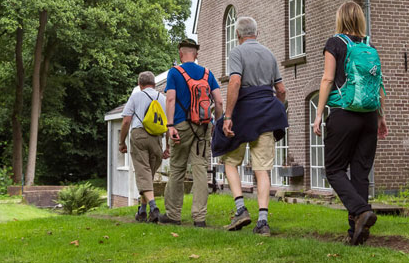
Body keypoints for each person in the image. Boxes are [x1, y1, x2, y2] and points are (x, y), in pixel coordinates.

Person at [313, 2, 388, 245]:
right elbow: (380, 85)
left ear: (340, 19)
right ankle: (355, 233)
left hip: (343, 113)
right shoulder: (369, 46)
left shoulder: (335, 43)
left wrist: (319, 113)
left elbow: (327, 78)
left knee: (334, 170)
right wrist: (381, 116)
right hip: (368, 116)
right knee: (360, 173)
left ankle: (361, 211)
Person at [212, 16, 287, 236]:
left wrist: (227, 117)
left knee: (229, 161)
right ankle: (263, 222)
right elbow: (281, 90)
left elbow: (235, 82)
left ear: (238, 35)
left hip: (243, 115)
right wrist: (275, 110)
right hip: (265, 116)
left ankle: (241, 210)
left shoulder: (237, 52)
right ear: (257, 33)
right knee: (262, 170)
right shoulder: (269, 54)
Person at [160, 38, 224, 227]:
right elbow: (219, 102)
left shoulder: (175, 72)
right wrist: (217, 123)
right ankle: (200, 218)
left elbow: (170, 100)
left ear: (181, 53)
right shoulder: (207, 73)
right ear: (196, 54)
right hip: (202, 128)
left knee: (177, 169)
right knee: (200, 170)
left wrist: (170, 125)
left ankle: (173, 215)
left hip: (180, 127)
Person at [120, 71, 170, 223]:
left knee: (143, 174)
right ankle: (142, 211)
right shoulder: (163, 98)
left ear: (139, 84)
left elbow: (126, 121)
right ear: (154, 84)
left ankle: (154, 208)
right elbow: (168, 124)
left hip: (139, 135)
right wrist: (167, 146)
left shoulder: (135, 96)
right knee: (147, 175)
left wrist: (122, 142)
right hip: (157, 138)